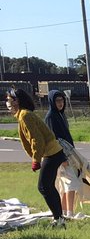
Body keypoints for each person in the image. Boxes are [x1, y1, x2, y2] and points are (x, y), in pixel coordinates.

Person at [6, 87, 67, 228]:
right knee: (48, 186)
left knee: (44, 187)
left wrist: (36, 160)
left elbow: (37, 139)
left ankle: (59, 219)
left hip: (52, 153)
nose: (8, 105)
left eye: (10, 101)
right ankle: (59, 219)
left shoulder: (25, 115)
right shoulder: (23, 115)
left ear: (17, 102)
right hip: (52, 153)